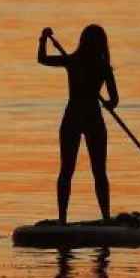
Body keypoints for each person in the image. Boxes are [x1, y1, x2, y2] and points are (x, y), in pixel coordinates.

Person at [38, 25, 119, 224]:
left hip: (78, 118)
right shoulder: (97, 66)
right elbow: (114, 100)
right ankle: (101, 217)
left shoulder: (77, 62)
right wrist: (108, 104)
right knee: (92, 171)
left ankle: (65, 219)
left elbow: (43, 58)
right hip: (87, 119)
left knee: (75, 171)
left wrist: (43, 40)